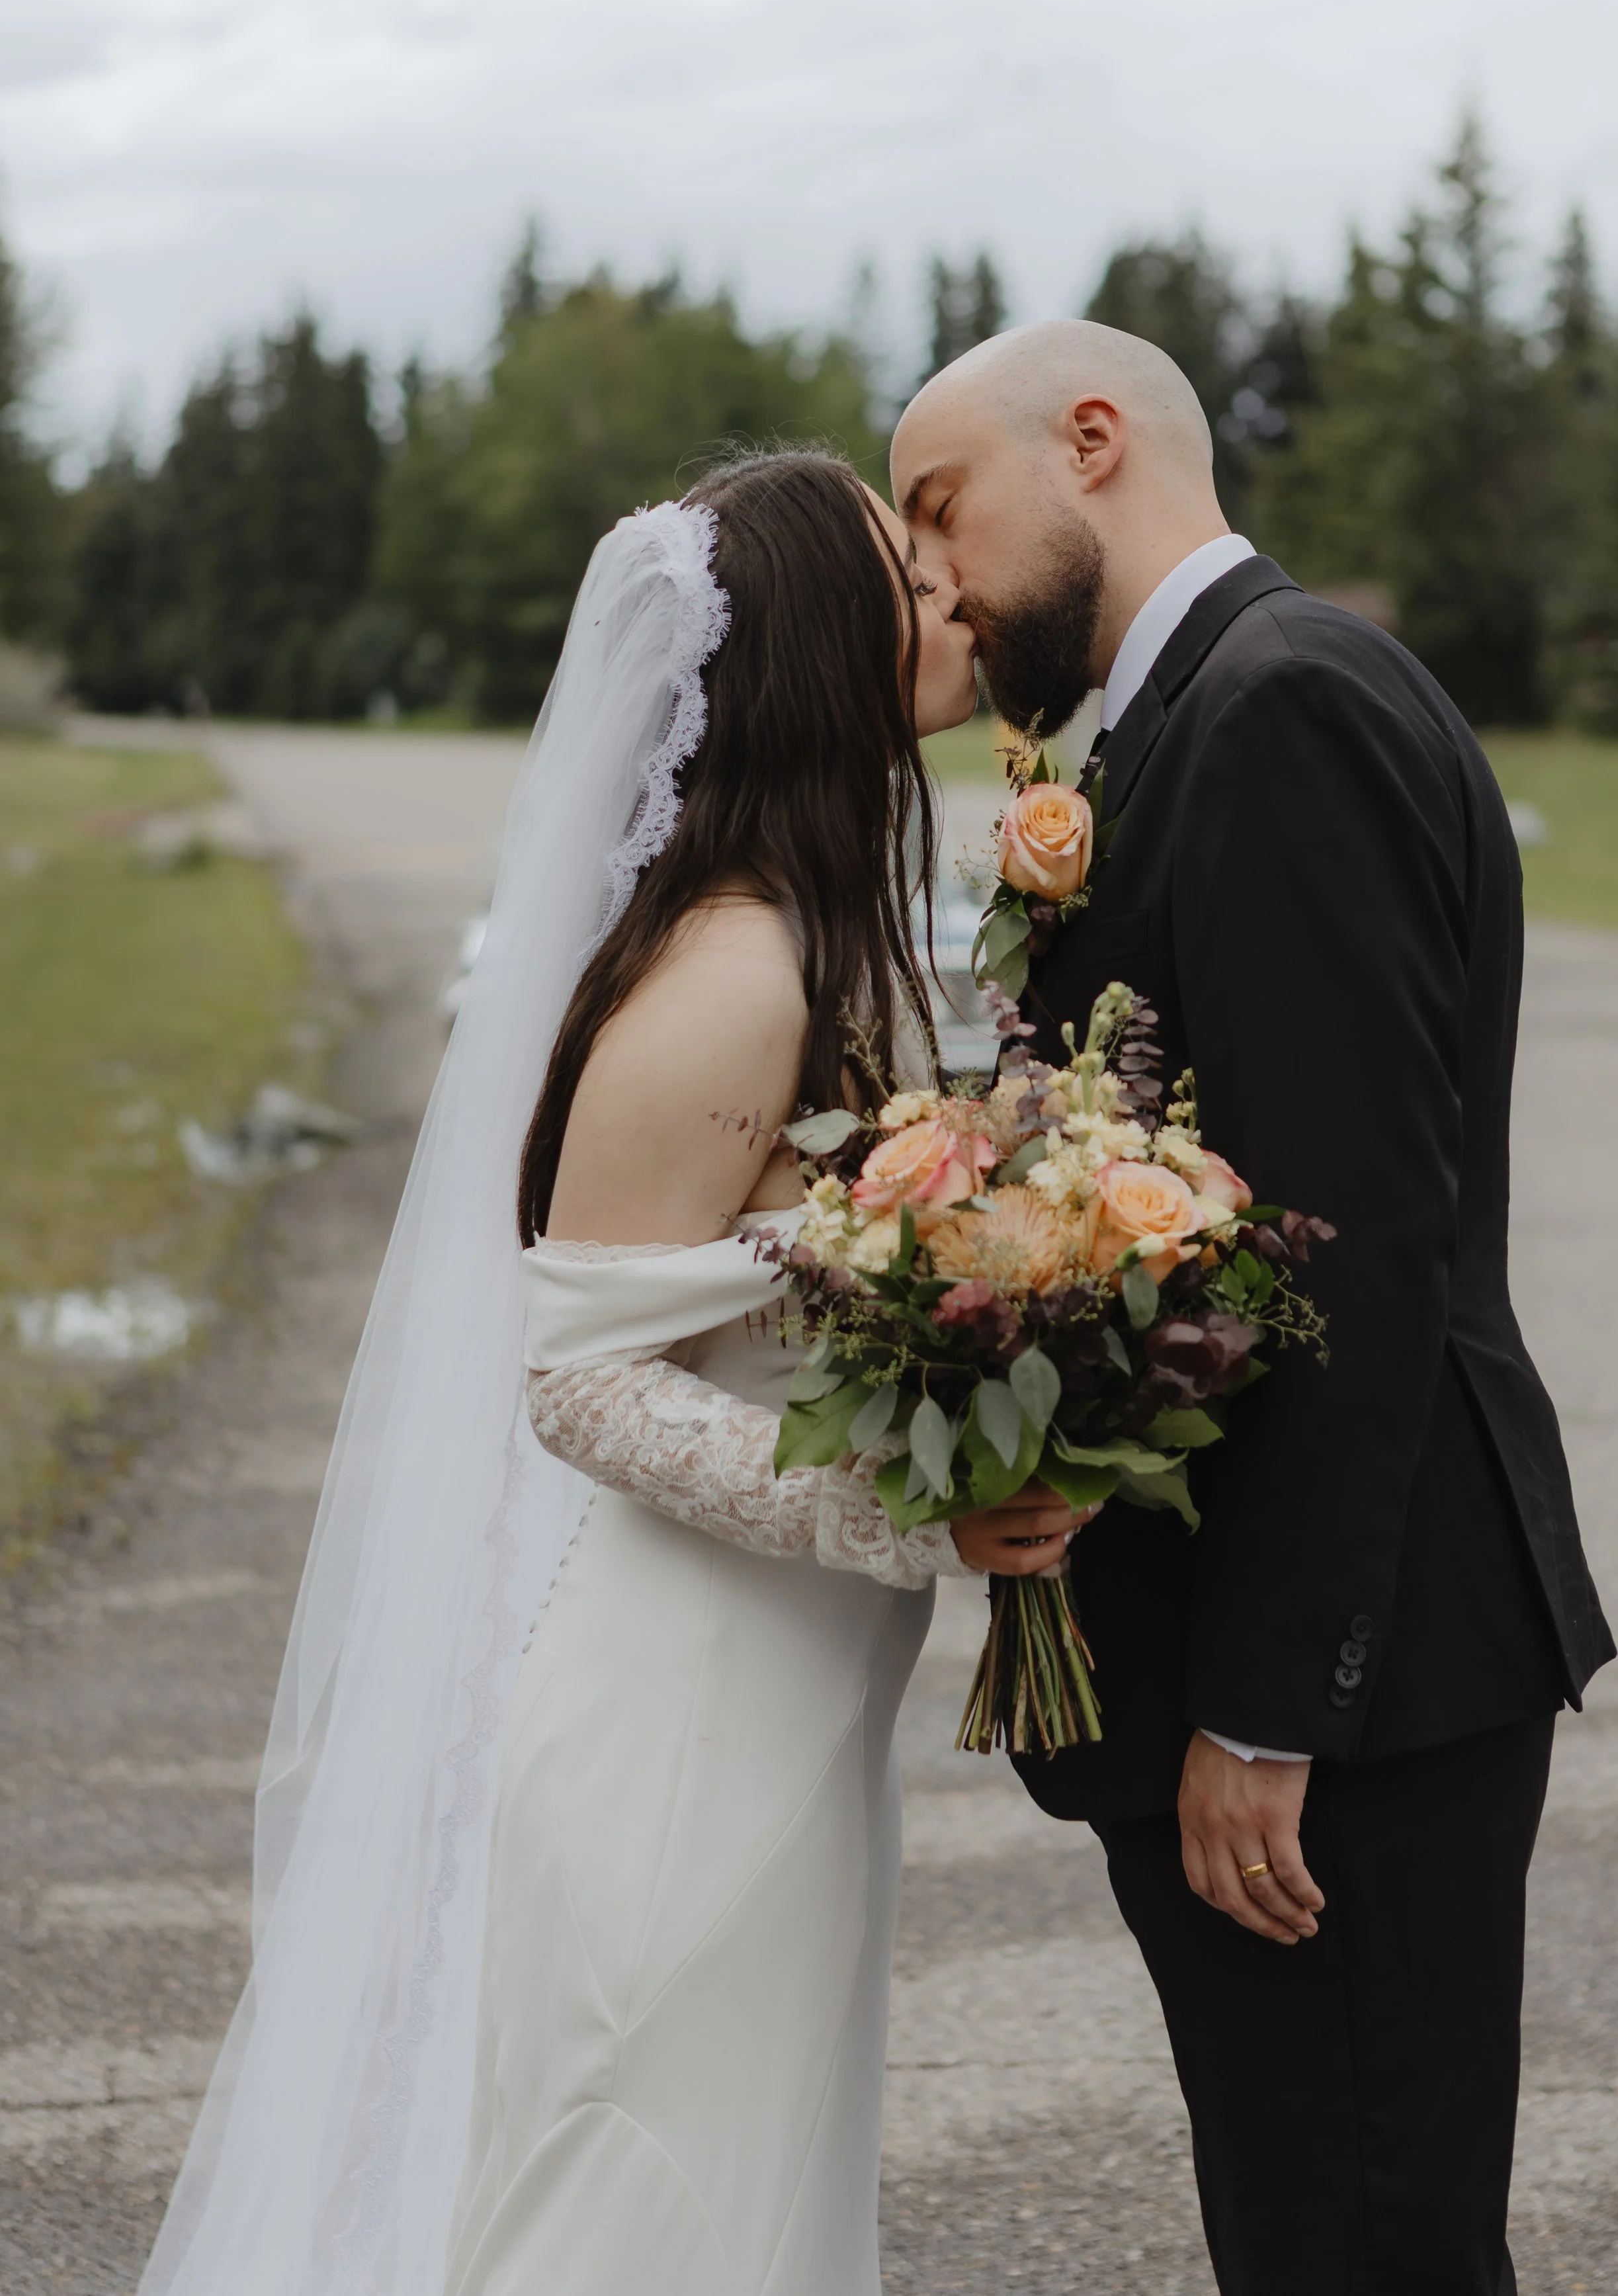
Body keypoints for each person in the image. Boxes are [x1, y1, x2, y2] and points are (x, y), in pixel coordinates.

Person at [135, 446, 1080, 2296]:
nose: (957, 596)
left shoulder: (814, 931)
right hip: (674, 1713)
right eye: (910, 573)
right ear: (820, 639)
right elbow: (576, 1374)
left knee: (732, 2193)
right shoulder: (733, 970)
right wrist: (915, 1517)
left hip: (771, 1700)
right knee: (643, 2202)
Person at [895, 321, 1615, 2296]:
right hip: (1307, 1679)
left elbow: (1345, 1242)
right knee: (1311, 2224)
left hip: (1346, 1698)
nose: (930, 571)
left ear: (1096, 442)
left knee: (1361, 2241)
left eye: (941, 509)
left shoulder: (1277, 704)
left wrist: (1265, 1706)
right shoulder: (1178, 717)